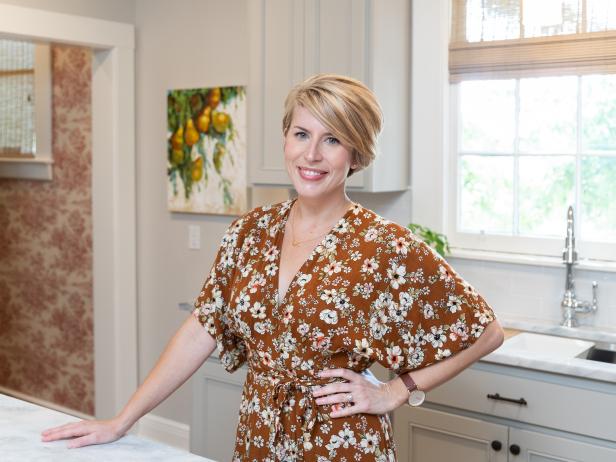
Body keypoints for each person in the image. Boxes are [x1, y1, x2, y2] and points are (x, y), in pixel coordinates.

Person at [42, 74, 504, 460]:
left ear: (357, 155)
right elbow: (201, 327)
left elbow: (486, 332)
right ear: (285, 138)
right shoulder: (249, 232)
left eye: (333, 140)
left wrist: (396, 391)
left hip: (339, 442)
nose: (312, 155)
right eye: (301, 134)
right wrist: (124, 419)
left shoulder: (384, 245)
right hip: (258, 434)